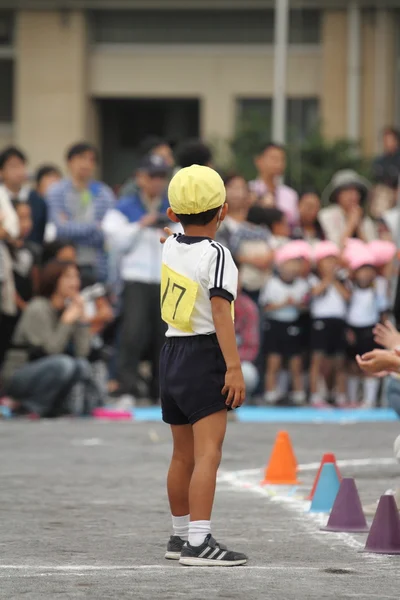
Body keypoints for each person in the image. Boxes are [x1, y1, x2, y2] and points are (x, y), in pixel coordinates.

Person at [160, 165, 247, 566]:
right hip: (203, 354)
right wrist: (234, 367)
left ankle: (179, 538)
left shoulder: (168, 245)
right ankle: (199, 542)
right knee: (209, 452)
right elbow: (220, 312)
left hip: (171, 354)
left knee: (182, 455)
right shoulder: (218, 254)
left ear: (173, 212)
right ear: (224, 210)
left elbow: (173, 239)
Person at [102, 154, 174, 405]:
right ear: (140, 177)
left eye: (161, 177)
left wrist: (164, 225)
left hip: (165, 279)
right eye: (152, 176)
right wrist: (143, 223)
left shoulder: (171, 206)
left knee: (165, 337)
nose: (157, 182)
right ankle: (127, 389)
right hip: (136, 278)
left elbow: (183, 237)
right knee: (133, 334)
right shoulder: (125, 206)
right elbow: (115, 241)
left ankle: (162, 390)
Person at [1, 261, 103, 417]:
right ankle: (30, 406)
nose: (75, 282)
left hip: (50, 367)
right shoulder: (38, 307)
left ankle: (53, 407)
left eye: (76, 277)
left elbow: (83, 353)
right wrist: (66, 321)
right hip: (18, 374)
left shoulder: (68, 309)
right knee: (63, 364)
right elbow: (51, 350)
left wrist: (82, 322)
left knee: (81, 365)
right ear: (54, 280)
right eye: (68, 277)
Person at [46, 142, 115, 282]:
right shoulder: (56, 191)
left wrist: (73, 227)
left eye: (91, 160)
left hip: (97, 266)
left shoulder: (104, 193)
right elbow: (60, 230)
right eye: (82, 158)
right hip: (65, 266)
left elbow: (107, 232)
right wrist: (95, 226)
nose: (86, 164)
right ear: (69, 161)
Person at [259, 242, 310, 406]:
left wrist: (296, 304)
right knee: (274, 361)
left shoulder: (303, 285)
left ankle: (298, 394)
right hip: (275, 324)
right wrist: (283, 304)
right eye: (289, 264)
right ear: (281, 266)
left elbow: (306, 306)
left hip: (293, 324)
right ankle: (271, 393)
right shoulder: (272, 283)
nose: (293, 268)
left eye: (296, 264)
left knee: (295, 361)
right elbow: (266, 307)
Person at [309, 241, 350, 408]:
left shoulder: (343, 280)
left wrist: (335, 280)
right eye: (327, 260)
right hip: (321, 321)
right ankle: (315, 395)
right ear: (319, 263)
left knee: (339, 360)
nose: (331, 264)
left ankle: (340, 395)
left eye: (333, 260)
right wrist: (328, 279)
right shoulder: (313, 279)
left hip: (339, 322)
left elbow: (347, 297)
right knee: (318, 359)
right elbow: (315, 293)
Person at [346, 244, 387, 408]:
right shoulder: (350, 288)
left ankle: (369, 399)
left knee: (370, 365)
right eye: (362, 270)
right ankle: (352, 398)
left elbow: (383, 312)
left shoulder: (377, 290)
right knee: (352, 365)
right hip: (352, 328)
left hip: (370, 329)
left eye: (369, 271)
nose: (366, 274)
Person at [0, 202, 41, 366]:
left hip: (27, 311)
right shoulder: (3, 248)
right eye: (20, 217)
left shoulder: (33, 249)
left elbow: (36, 283)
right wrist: (23, 306)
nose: (26, 223)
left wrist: (32, 308)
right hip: (9, 310)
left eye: (28, 217)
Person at [319, 170, 377, 247]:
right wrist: (351, 224)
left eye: (356, 191)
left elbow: (372, 248)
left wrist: (358, 226)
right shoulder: (326, 215)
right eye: (347, 191)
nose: (353, 196)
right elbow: (336, 247)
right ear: (337, 195)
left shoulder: (366, 219)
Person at [249, 143, 299, 228]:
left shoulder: (290, 194)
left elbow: (294, 223)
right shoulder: (249, 189)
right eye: (274, 158)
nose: (278, 163)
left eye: (282, 159)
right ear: (258, 161)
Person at [0, 146, 30, 239]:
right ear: (1, 171)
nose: (18, 171)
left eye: (21, 165)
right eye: (13, 166)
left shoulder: (35, 199)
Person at [28, 165, 62, 245]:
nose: (54, 183)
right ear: (38, 183)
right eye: (49, 178)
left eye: (57, 180)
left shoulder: (60, 204)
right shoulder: (31, 201)